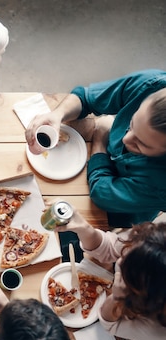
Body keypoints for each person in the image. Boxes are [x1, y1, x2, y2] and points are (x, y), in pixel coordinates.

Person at [25, 69, 166, 227]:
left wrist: (100, 141)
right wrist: (58, 114)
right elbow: (86, 98)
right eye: (131, 124)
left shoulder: (161, 185)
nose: (125, 138)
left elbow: (103, 195)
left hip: (120, 210)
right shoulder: (153, 85)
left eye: (141, 144)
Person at [59, 210, 166, 340]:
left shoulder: (158, 332)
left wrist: (117, 297)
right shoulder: (155, 242)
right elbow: (109, 247)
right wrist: (85, 229)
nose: (119, 261)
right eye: (127, 253)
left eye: (127, 271)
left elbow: (111, 325)